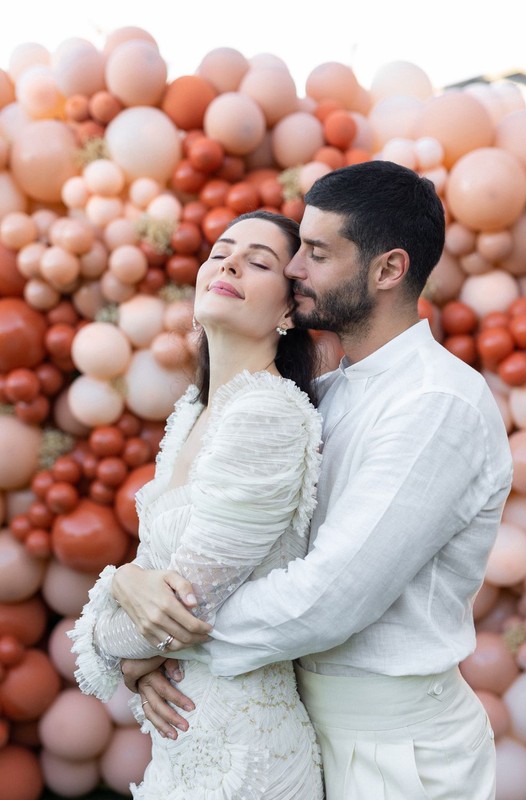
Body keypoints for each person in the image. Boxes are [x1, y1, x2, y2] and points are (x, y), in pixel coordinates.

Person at [113, 160, 514, 800]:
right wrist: (135, 588)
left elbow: (329, 598)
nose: (295, 268)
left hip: (393, 750)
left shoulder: (437, 404)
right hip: (297, 720)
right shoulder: (322, 395)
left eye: (317, 253)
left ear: (387, 270)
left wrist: (162, 638)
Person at [68, 210, 325, 799]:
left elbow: (186, 604)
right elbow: (158, 593)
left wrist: (125, 644)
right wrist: (131, 580)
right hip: (184, 740)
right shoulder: (192, 411)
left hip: (244, 754)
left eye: (259, 262)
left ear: (289, 310)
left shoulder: (267, 413)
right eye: (220, 252)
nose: (229, 263)